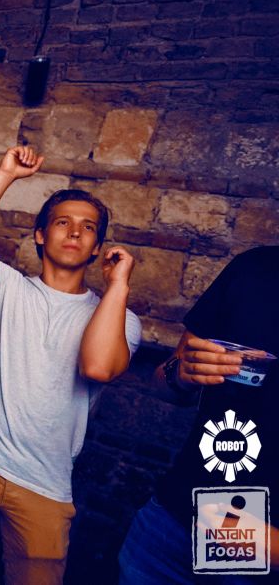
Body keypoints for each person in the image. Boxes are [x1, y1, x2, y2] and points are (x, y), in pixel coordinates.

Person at [0, 146, 143, 585]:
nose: (75, 232)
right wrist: (5, 174)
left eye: (88, 228)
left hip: (45, 482)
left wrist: (118, 285)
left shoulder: (120, 318)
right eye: (63, 222)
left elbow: (97, 367)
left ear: (98, 247)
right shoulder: (8, 287)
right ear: (40, 235)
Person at [118, 245, 279, 582]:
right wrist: (181, 373)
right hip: (172, 523)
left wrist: (264, 543)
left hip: (258, 565)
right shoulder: (252, 267)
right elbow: (164, 385)